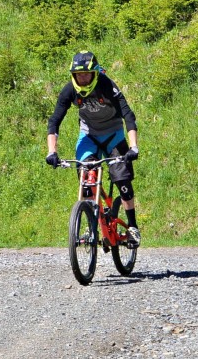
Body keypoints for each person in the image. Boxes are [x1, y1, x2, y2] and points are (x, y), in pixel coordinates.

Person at [46, 51, 140, 247]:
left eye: (86, 74)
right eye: (78, 75)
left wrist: (133, 147)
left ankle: (132, 226)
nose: (82, 78)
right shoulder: (69, 90)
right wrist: (52, 152)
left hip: (114, 135)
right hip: (88, 136)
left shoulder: (106, 84)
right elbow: (55, 121)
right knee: (87, 179)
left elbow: (128, 115)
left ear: (94, 73)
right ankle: (90, 222)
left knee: (122, 180)